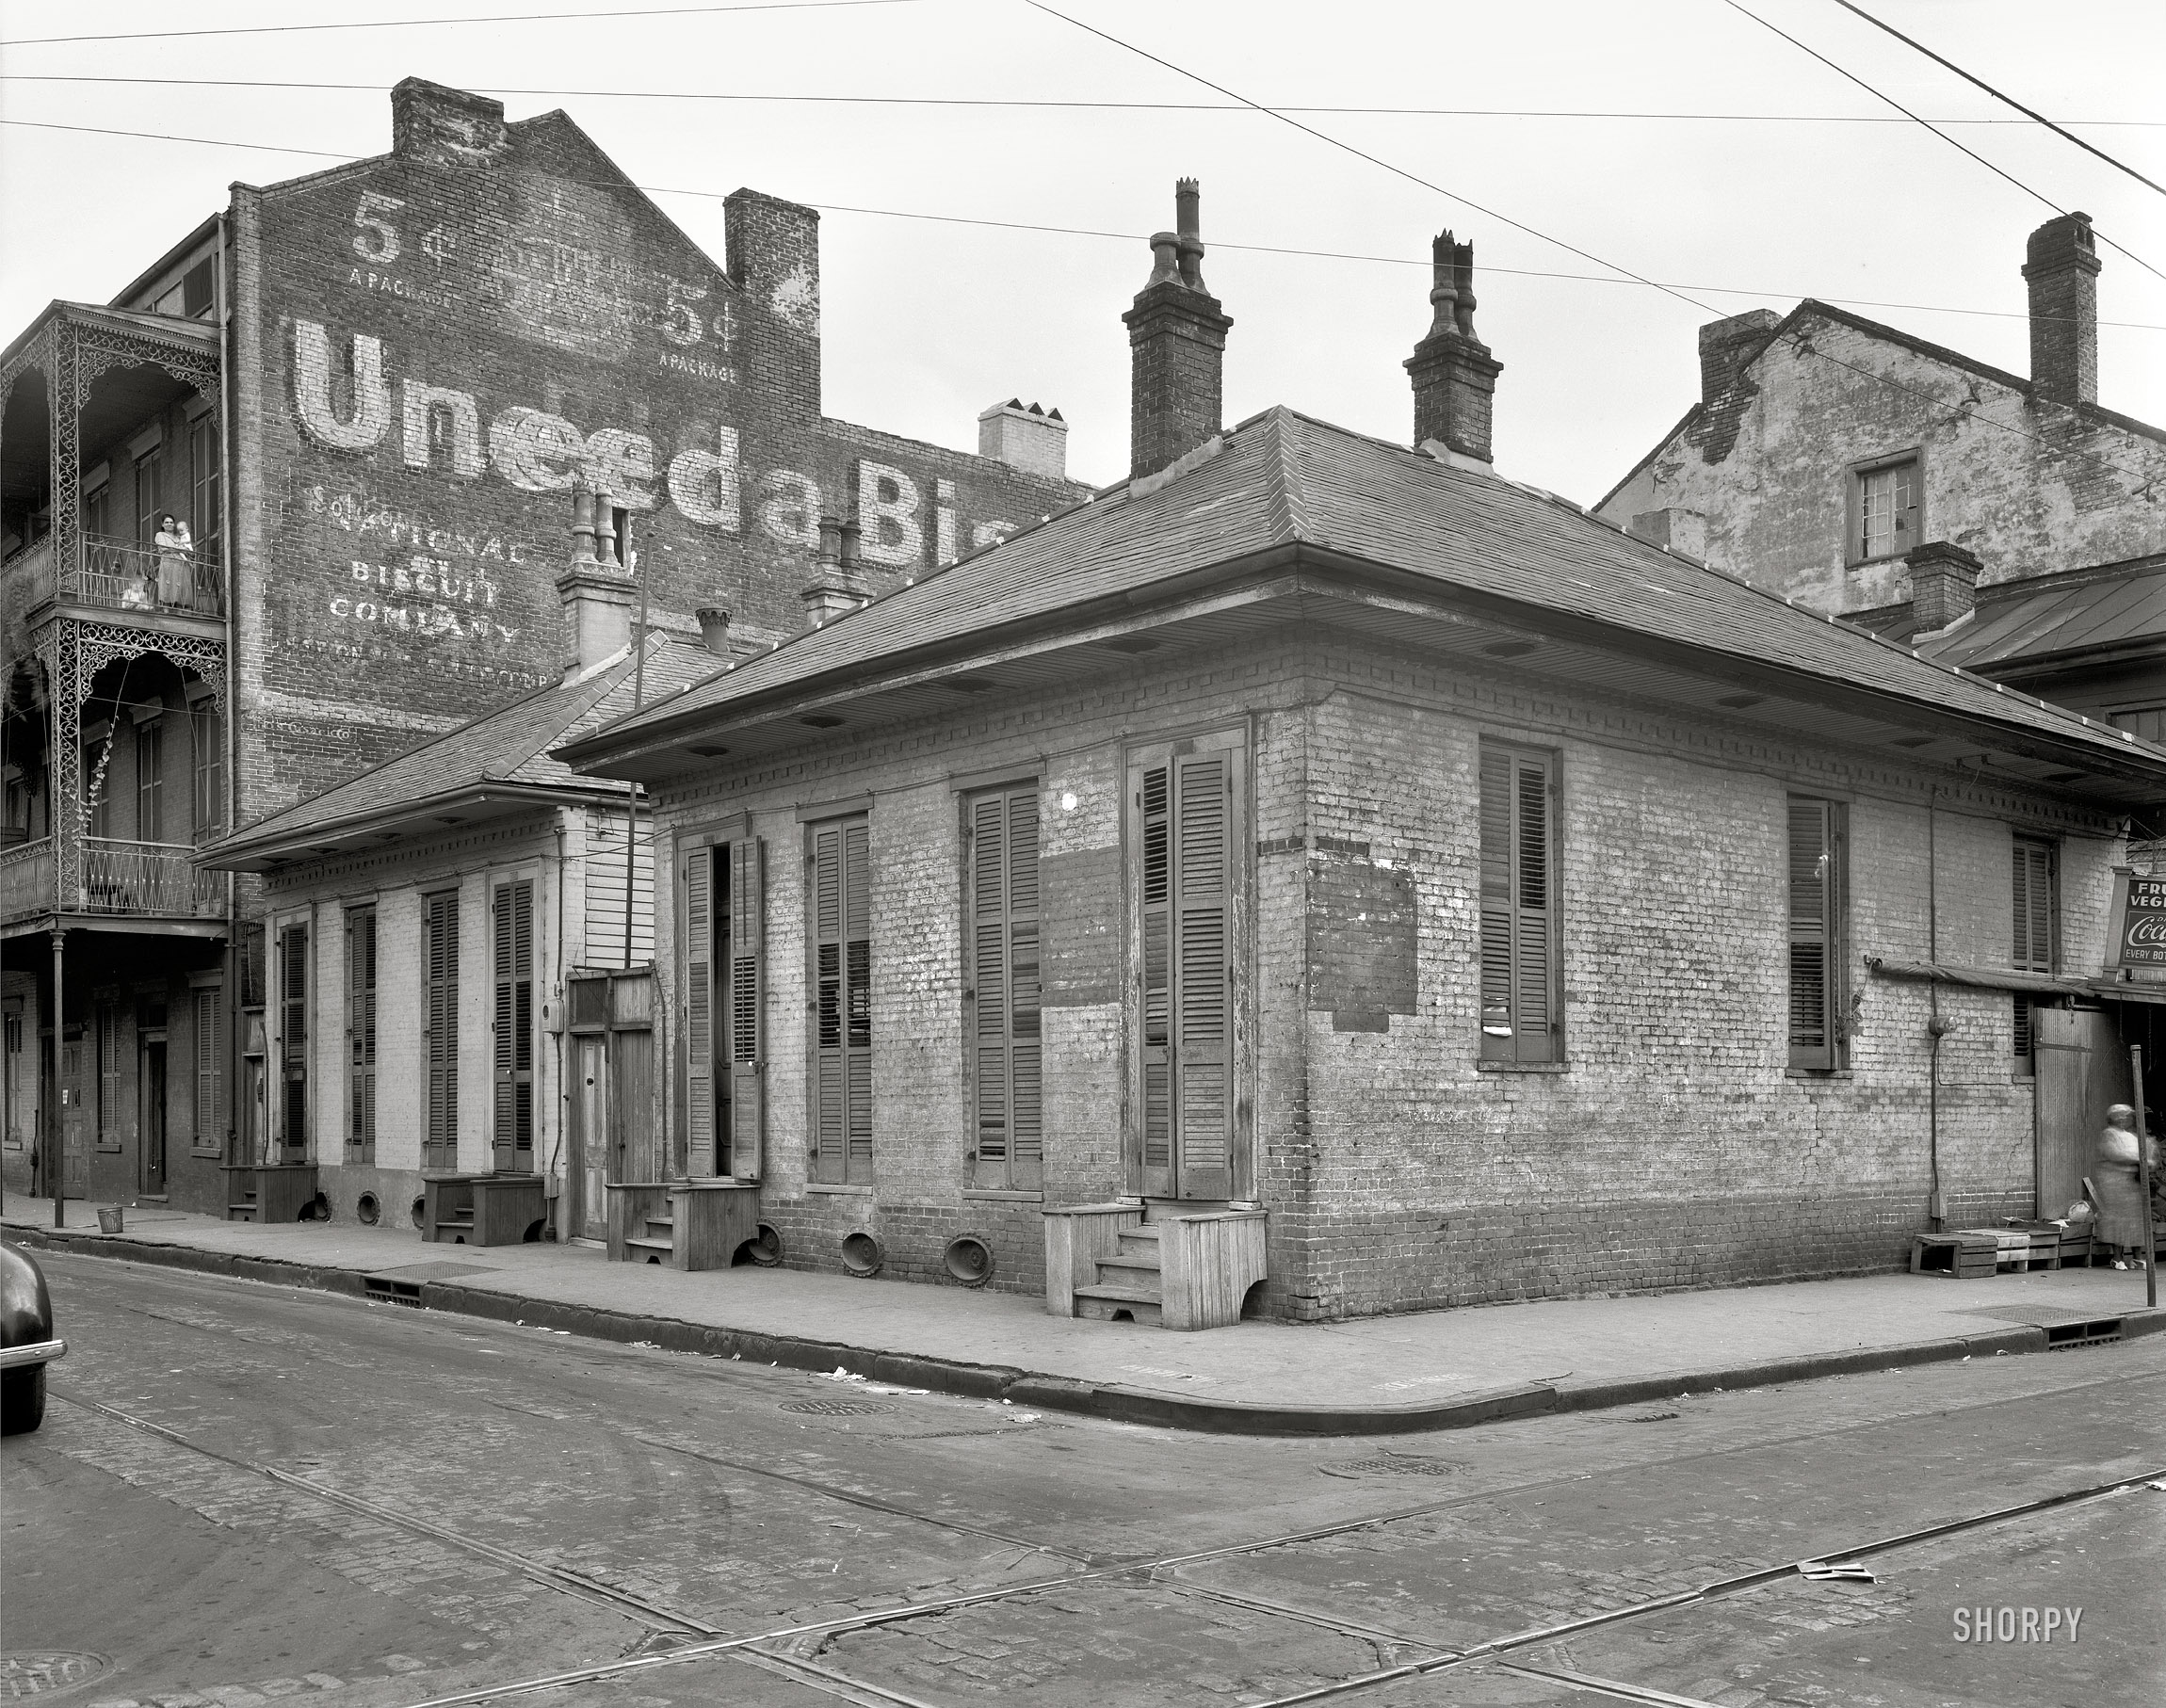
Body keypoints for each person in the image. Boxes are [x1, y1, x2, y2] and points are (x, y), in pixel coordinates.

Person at [2094, 1104, 2157, 1268]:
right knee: (2118, 1220)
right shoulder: (2109, 1134)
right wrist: (2139, 1159)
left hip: (2132, 1183)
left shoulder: (2131, 1136)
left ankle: (2137, 1256)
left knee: (2136, 1220)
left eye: (2125, 1115)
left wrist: (2147, 1157)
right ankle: (2117, 1257)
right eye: (2118, 1115)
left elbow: (2145, 1155)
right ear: (2111, 1118)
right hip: (2115, 1183)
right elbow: (2115, 1154)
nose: (2122, 1118)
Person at [153, 513, 193, 606]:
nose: (169, 524)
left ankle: (180, 612)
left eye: (171, 522)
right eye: (166, 522)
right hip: (168, 564)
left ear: (174, 524)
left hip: (182, 566)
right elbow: (163, 548)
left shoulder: (179, 537)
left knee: (181, 591)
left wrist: (181, 549)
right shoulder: (160, 535)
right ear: (162, 525)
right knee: (168, 589)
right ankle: (166, 612)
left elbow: (189, 551)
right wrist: (180, 549)